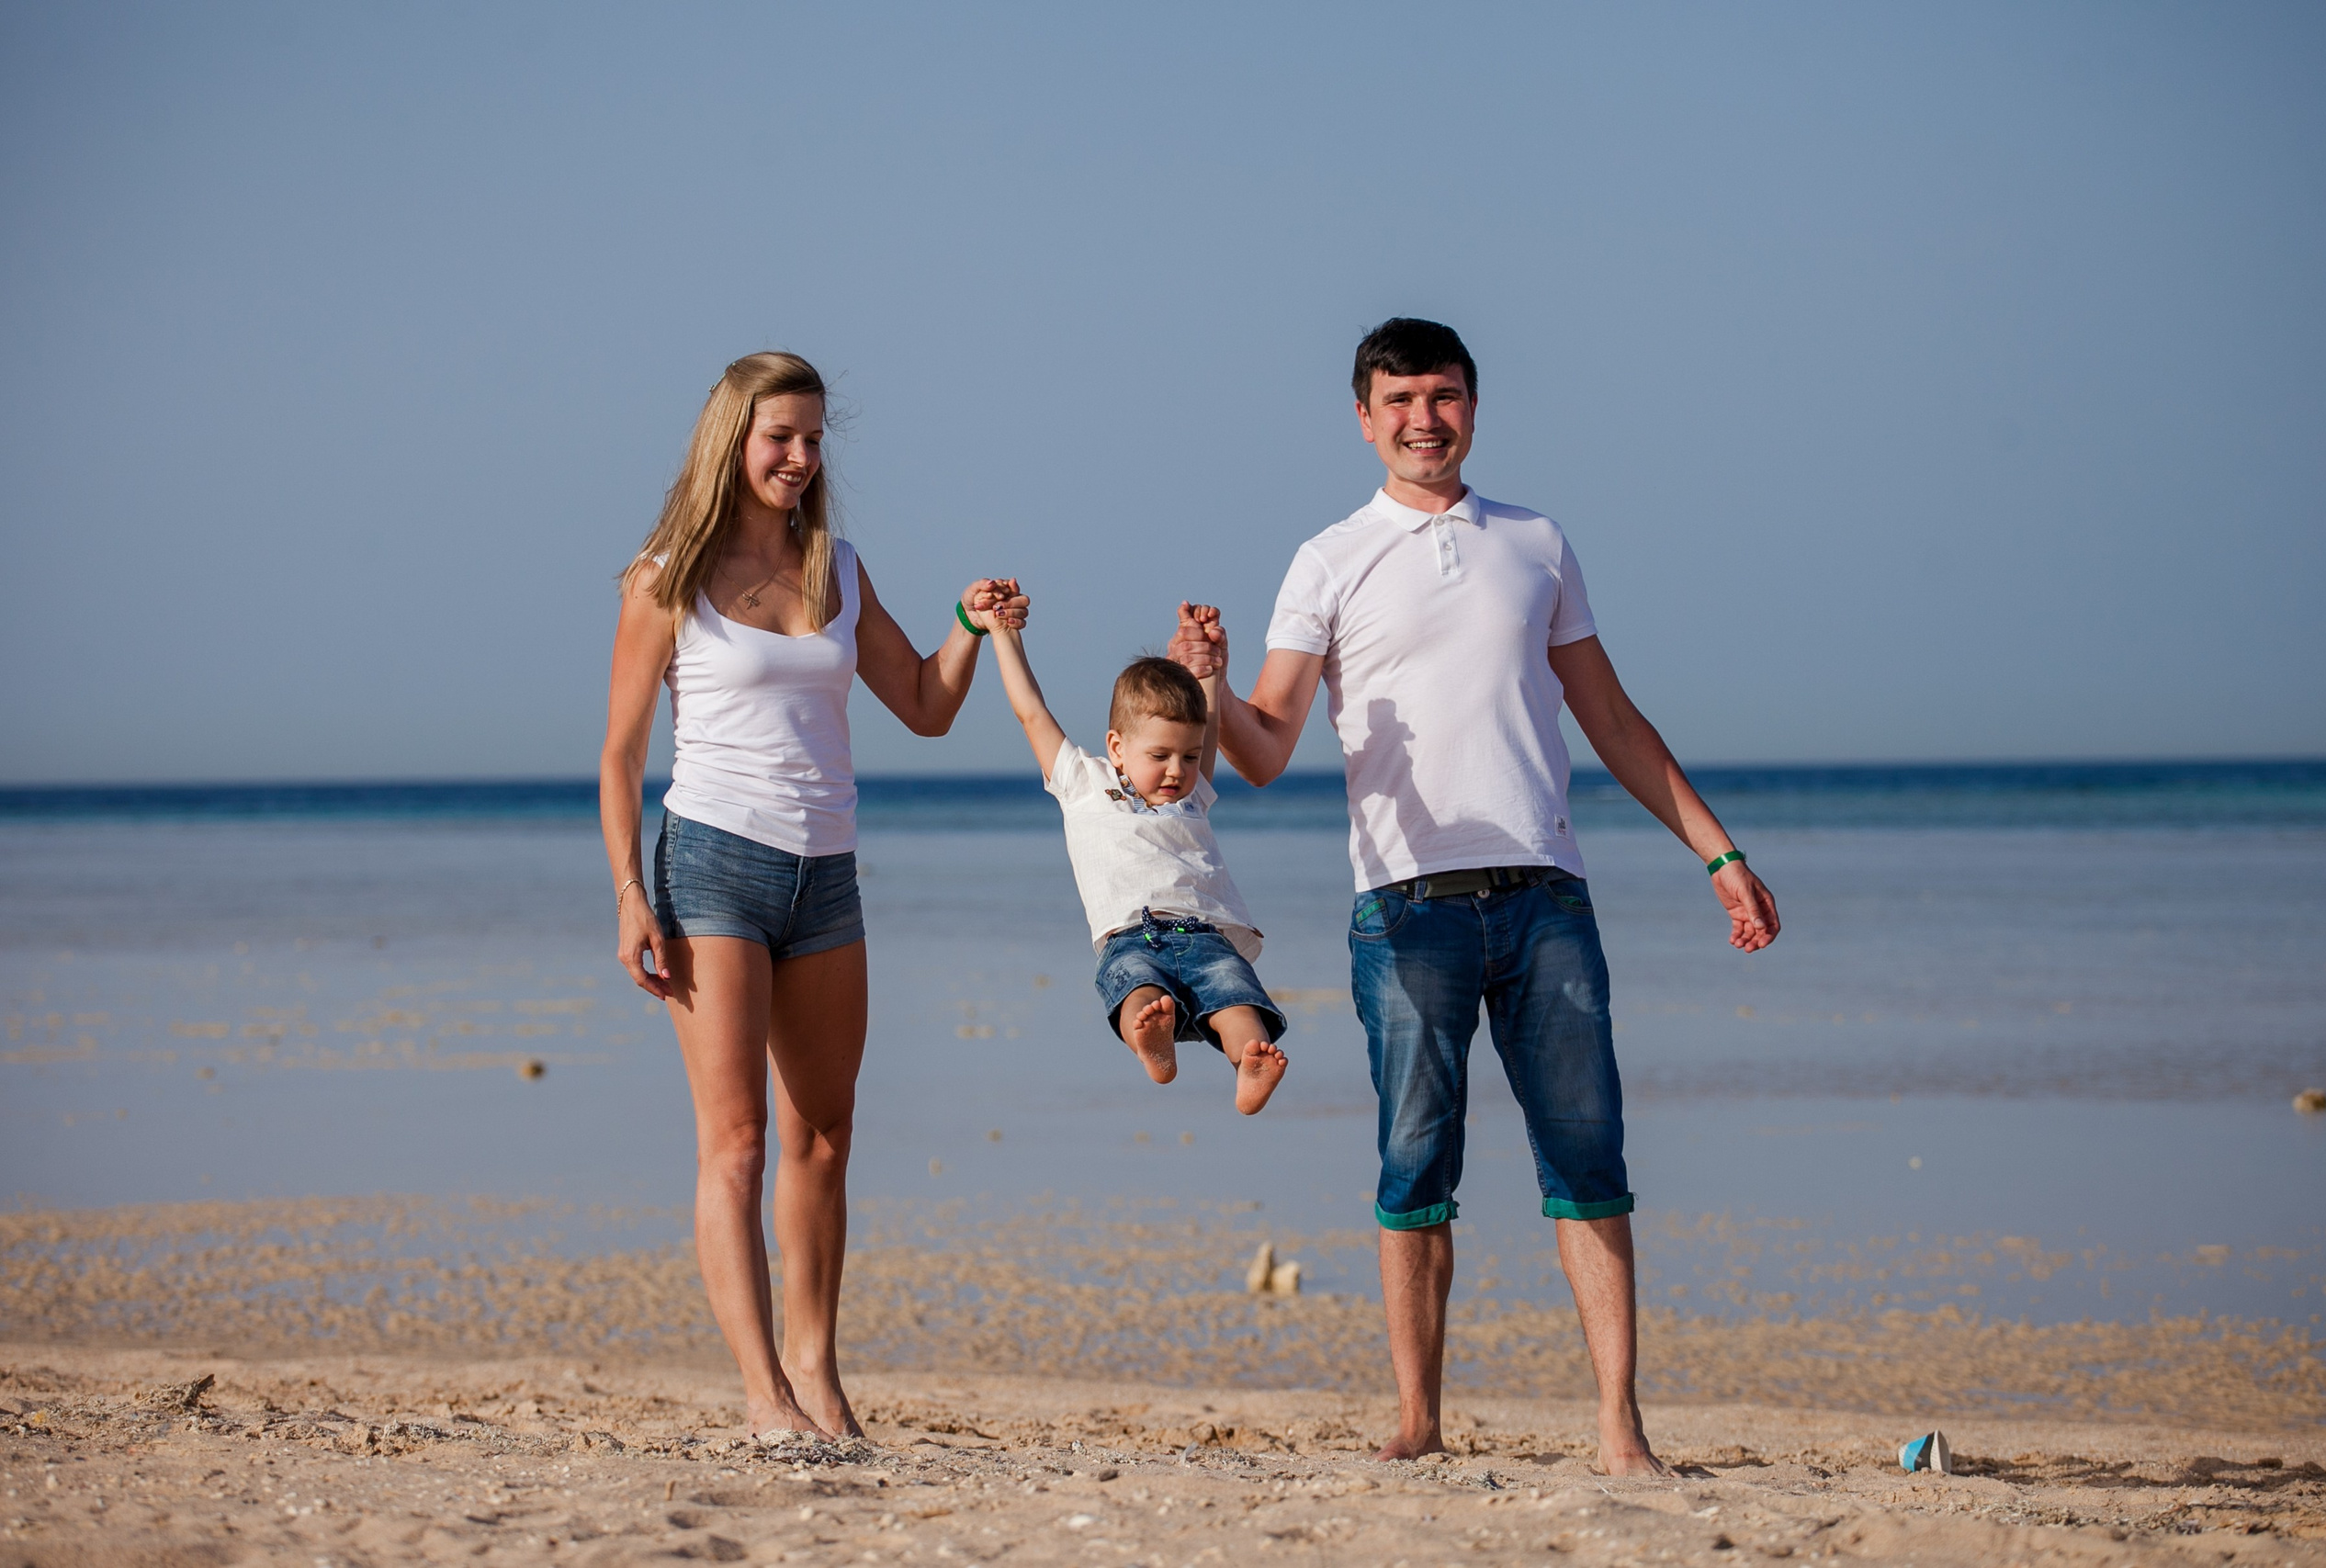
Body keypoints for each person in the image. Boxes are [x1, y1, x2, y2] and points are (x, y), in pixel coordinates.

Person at [1169, 319, 1779, 1473]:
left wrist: (1718, 854)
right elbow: (1259, 749)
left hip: (1548, 897)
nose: (1422, 420)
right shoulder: (1328, 557)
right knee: (1414, 1168)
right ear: (1363, 416)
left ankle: (1618, 1430)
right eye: (1398, 401)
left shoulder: (1536, 542)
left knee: (1588, 1162)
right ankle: (1417, 1423)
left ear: (1473, 407)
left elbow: (1609, 720)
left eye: (1442, 397)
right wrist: (1207, 688)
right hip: (1405, 910)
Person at [598, 351, 1028, 1443]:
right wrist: (626, 897)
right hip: (710, 867)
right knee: (734, 1140)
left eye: (813, 438)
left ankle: (815, 1369)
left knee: (824, 1134)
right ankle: (760, 1394)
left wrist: (971, 629)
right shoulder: (667, 574)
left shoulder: (838, 568)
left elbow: (925, 707)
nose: (799, 457)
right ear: (730, 441)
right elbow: (618, 754)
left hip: (825, 872)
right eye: (779, 436)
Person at [977, 602, 1289, 1113]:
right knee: (1135, 991)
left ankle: (1249, 1060)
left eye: (1189, 758)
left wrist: (1205, 659)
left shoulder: (1191, 797)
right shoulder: (1082, 782)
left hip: (1207, 935)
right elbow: (1031, 710)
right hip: (1132, 937)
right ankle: (1152, 1041)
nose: (1177, 770)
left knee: (1236, 996)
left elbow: (1205, 723)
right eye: (1160, 756)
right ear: (1117, 747)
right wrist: (1004, 634)